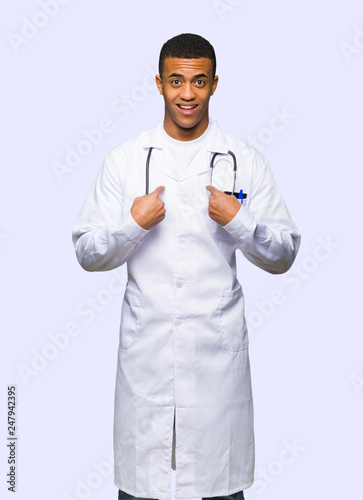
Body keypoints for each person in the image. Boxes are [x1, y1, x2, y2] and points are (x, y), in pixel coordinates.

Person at [72, 33, 301, 500]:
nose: (188, 94)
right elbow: (87, 252)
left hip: (216, 360)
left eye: (199, 81)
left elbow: (284, 254)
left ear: (215, 84)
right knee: (141, 488)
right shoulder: (124, 160)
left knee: (220, 486)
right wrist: (131, 226)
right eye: (176, 81)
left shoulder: (245, 160)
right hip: (147, 356)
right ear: (158, 83)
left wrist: (240, 222)